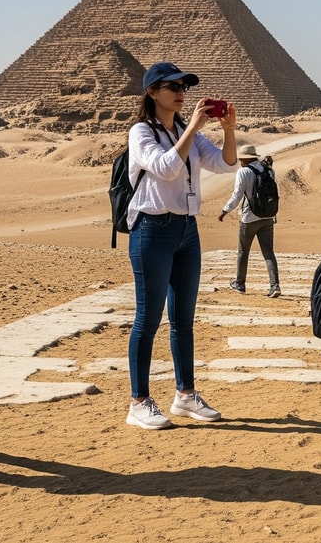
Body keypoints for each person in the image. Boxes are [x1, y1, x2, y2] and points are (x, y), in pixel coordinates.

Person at [121, 62, 238, 430]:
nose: (181, 92)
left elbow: (226, 164)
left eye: (184, 86)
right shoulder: (141, 132)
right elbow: (166, 168)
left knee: (183, 320)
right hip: (152, 231)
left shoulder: (187, 132)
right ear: (152, 92)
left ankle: (185, 395)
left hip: (187, 231)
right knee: (148, 318)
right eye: (172, 86)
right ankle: (139, 401)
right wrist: (193, 128)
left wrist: (228, 130)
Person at [219, 145, 280, 297]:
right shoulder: (269, 170)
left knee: (243, 251)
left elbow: (237, 194)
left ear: (246, 159)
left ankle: (240, 283)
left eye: (241, 159)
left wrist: (225, 210)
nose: (240, 161)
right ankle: (275, 286)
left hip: (249, 218)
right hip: (268, 217)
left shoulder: (244, 172)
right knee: (268, 252)